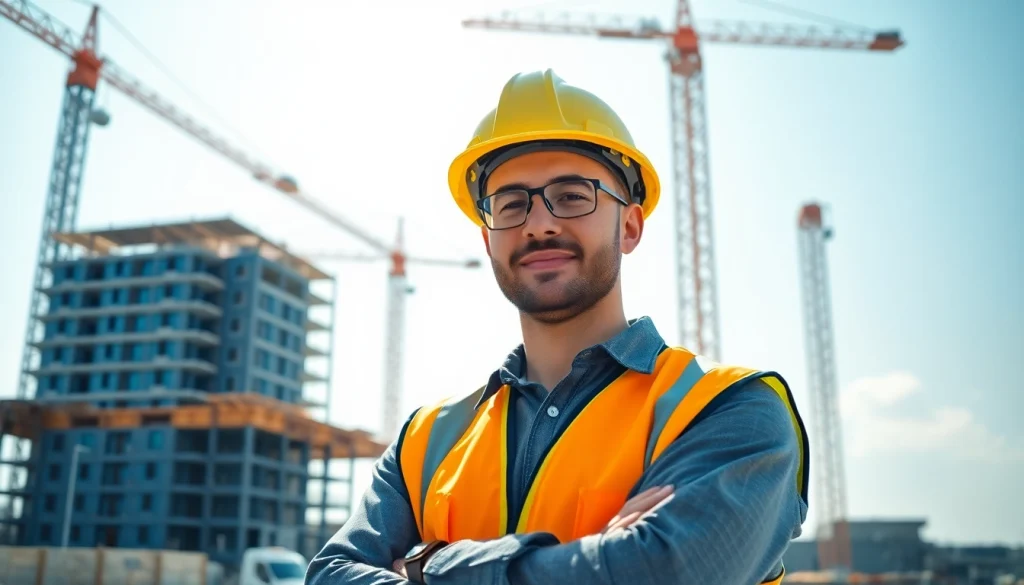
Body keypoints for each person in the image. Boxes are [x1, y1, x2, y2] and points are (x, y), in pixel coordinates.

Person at [305, 69, 809, 585]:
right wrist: (591, 561)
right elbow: (328, 576)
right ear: (487, 240)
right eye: (511, 204)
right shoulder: (425, 440)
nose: (539, 223)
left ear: (630, 226)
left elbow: (657, 573)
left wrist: (428, 565)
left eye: (572, 196)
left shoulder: (728, 410)